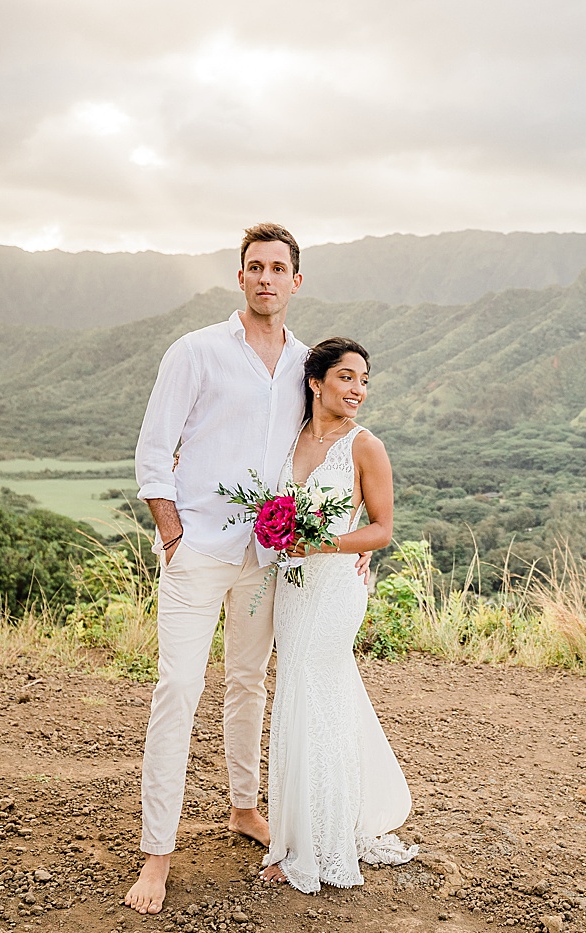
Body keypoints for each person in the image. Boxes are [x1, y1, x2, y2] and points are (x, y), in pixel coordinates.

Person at [124, 224, 368, 915]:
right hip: (199, 549)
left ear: (296, 281)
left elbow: (331, 442)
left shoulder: (304, 366)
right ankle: (157, 851)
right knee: (177, 688)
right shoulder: (196, 350)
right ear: (241, 278)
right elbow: (152, 452)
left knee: (247, 684)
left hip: (268, 558)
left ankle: (242, 807)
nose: (266, 278)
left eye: (278, 268)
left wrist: (347, 541)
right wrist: (174, 538)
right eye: (254, 267)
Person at [259, 337, 417, 892]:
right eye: (347, 378)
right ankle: (305, 827)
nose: (358, 391)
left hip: (333, 588)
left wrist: (323, 542)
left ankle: (316, 845)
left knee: (310, 687)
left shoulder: (364, 446)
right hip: (292, 586)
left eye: (364, 381)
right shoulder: (290, 436)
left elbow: (382, 529)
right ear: (315, 382)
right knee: (303, 694)